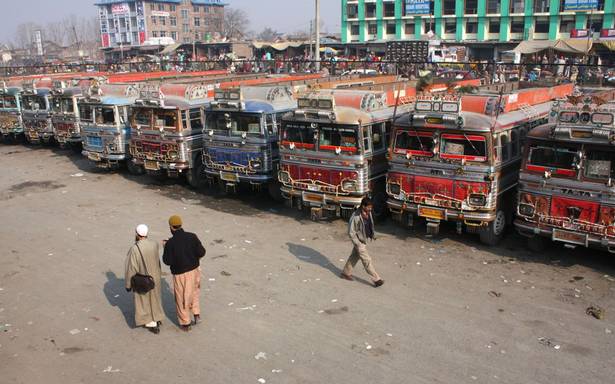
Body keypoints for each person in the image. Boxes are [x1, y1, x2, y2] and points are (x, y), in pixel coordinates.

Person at [162, 215, 206, 332]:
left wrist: (165, 247)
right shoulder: (192, 236)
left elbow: (167, 261)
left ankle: (186, 323)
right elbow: (202, 252)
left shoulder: (170, 243)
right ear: (181, 225)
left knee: (181, 298)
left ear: (171, 227)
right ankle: (196, 314)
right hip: (195, 270)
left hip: (181, 274)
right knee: (194, 292)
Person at [125, 224, 164, 334]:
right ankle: (157, 317)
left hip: (142, 279)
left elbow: (131, 268)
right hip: (154, 277)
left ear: (137, 234)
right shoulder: (154, 244)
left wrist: (128, 284)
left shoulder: (135, 248)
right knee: (155, 299)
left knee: (144, 301)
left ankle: (151, 322)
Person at [340, 197, 384, 287]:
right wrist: (357, 243)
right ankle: (377, 279)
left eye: (371, 207)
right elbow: (351, 232)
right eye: (368, 207)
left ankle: (345, 273)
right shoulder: (355, 216)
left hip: (363, 239)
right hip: (359, 241)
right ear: (363, 206)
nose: (370, 209)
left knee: (354, 256)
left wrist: (372, 234)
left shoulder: (368, 212)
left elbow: (370, 224)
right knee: (366, 260)